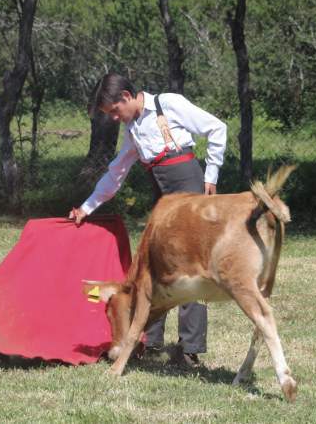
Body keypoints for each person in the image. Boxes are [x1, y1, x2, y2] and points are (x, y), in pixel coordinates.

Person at [68, 72, 227, 367]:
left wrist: (211, 175)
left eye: (115, 111)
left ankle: (189, 350)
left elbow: (217, 128)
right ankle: (149, 342)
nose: (115, 118)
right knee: (153, 267)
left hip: (190, 192)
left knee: (190, 268)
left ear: (126, 97)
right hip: (163, 198)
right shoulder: (133, 130)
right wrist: (86, 208)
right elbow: (116, 173)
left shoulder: (169, 104)